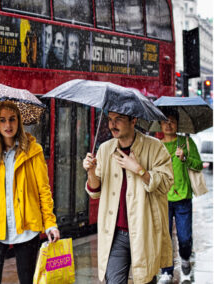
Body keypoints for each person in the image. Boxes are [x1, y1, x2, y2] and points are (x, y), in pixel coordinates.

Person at [83, 111, 174, 284]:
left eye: (118, 119)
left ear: (134, 120)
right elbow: (95, 190)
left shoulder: (155, 147)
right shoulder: (105, 149)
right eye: (110, 120)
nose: (112, 125)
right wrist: (91, 172)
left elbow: (166, 183)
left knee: (145, 279)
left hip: (144, 231)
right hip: (115, 234)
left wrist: (139, 169)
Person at [0, 101, 60, 284]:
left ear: (19, 121)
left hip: (26, 229)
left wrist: (50, 224)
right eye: (3, 120)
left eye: (12, 119)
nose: (8, 125)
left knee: (27, 280)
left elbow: (44, 191)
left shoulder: (33, 151)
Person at [158, 108, 203, 284]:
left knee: (184, 238)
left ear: (177, 124)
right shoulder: (157, 146)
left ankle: (185, 258)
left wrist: (185, 159)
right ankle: (166, 271)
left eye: (172, 121)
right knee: (165, 238)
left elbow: (199, 165)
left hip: (184, 198)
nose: (168, 125)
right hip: (163, 199)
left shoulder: (186, 142)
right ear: (160, 124)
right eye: (165, 121)